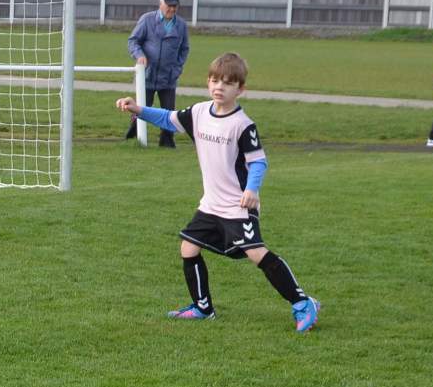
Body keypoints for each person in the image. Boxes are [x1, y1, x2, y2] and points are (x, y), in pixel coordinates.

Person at [116, 51, 319, 333]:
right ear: (208, 82)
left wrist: (252, 189)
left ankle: (302, 303)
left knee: (256, 253)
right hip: (211, 205)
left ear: (240, 89)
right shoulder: (199, 113)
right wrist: (138, 109)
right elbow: (168, 118)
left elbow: (258, 161)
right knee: (188, 248)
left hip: (238, 206)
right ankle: (203, 307)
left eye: (227, 83)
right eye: (214, 81)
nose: (219, 87)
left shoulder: (243, 125)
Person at [126, 0, 190, 148]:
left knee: (169, 111)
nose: (172, 9)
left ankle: (167, 140)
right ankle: (133, 136)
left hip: (168, 77)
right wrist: (139, 55)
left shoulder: (181, 25)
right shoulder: (147, 20)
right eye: (169, 5)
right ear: (161, 3)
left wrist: (177, 68)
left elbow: (184, 49)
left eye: (175, 6)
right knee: (141, 107)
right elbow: (133, 41)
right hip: (147, 75)